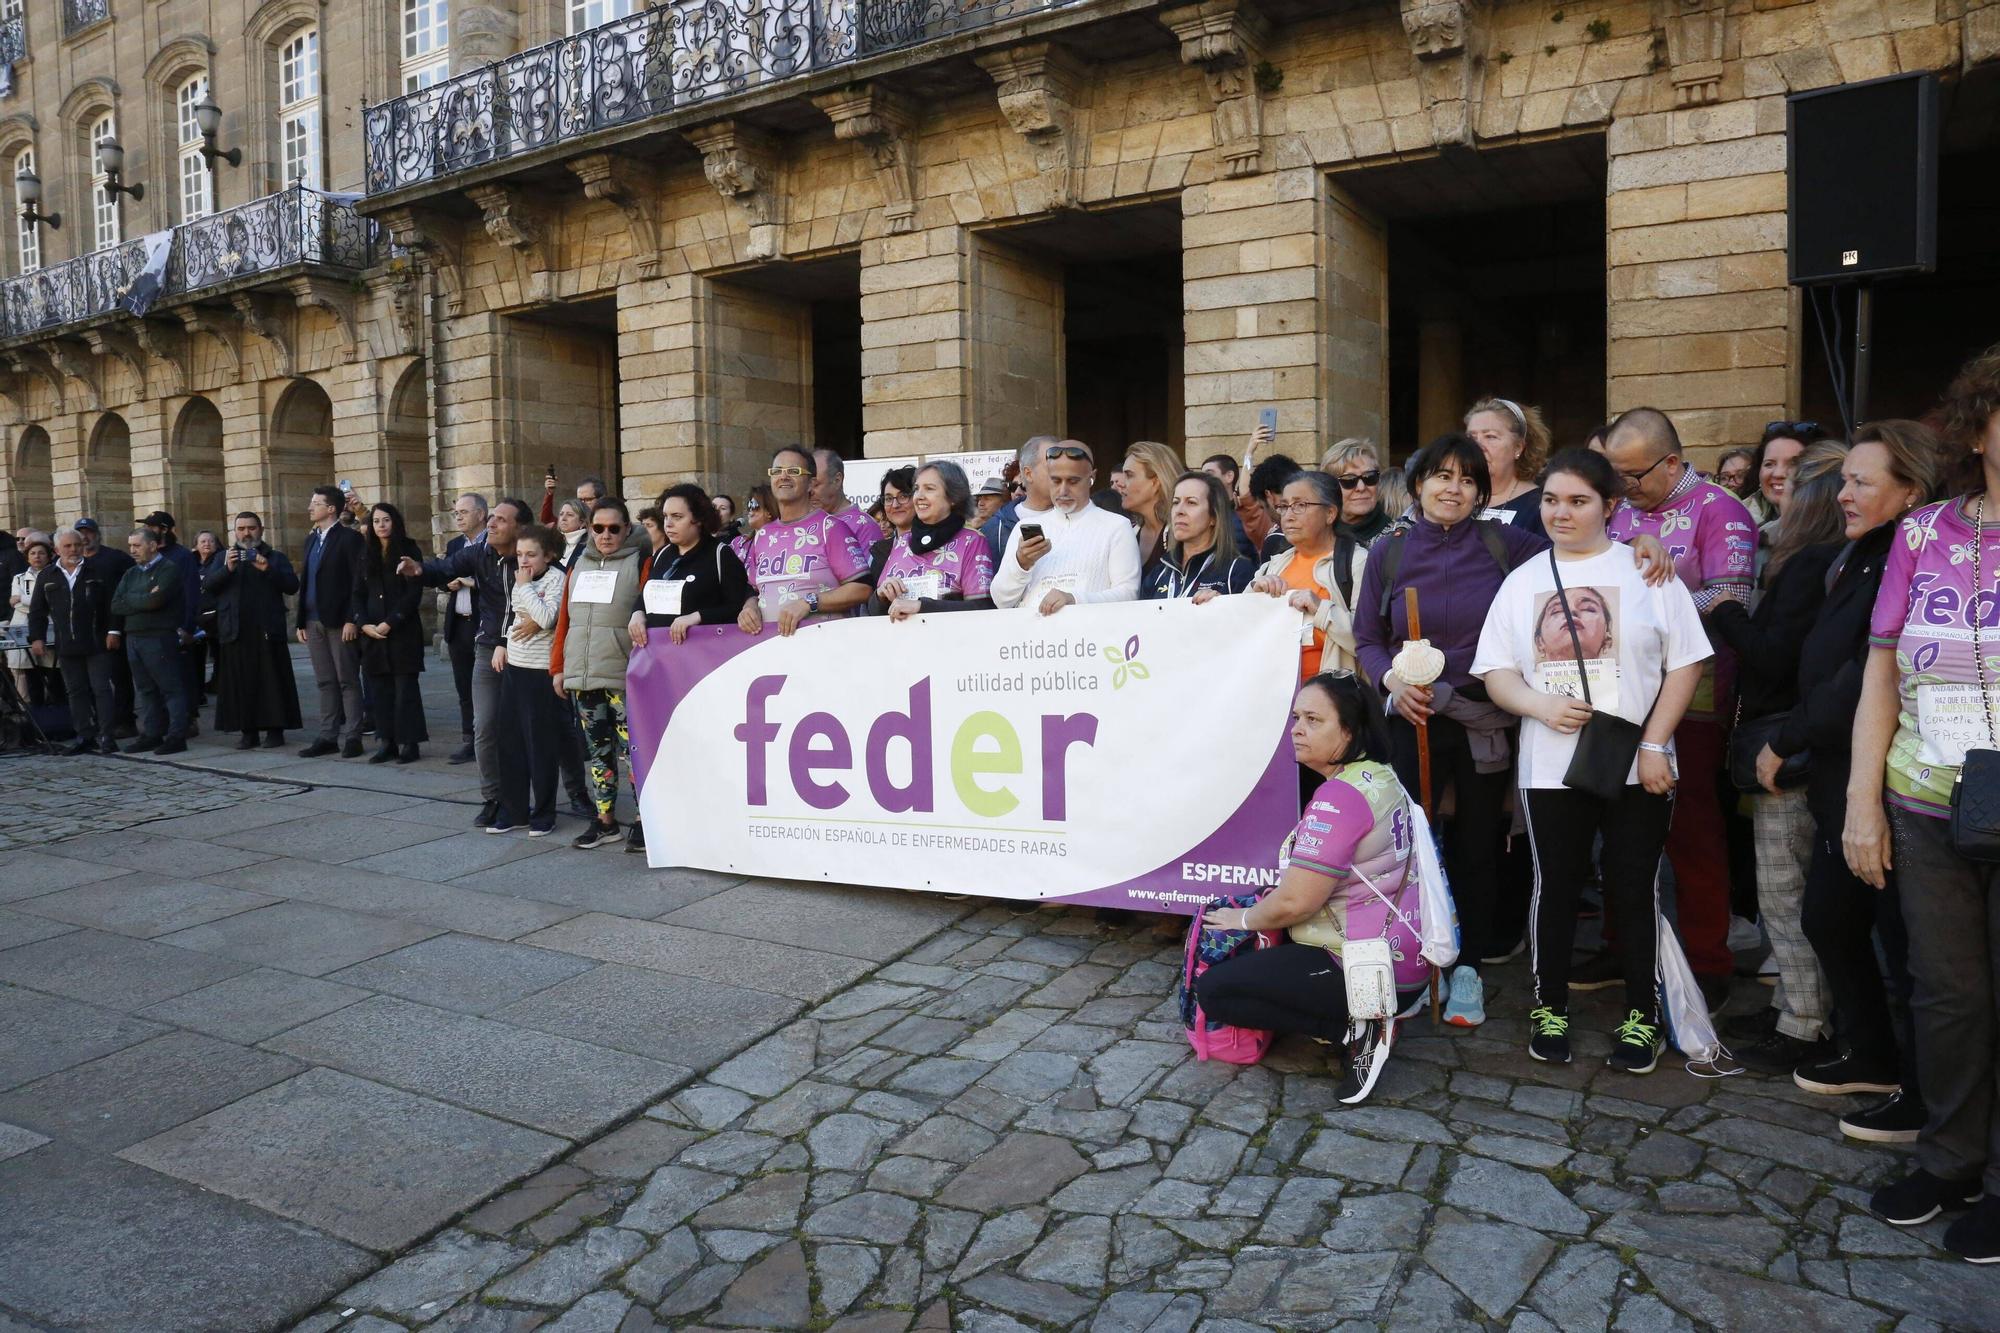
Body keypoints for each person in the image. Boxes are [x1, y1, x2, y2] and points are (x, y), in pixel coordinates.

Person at [1473, 447, 1711, 1073]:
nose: (1560, 512)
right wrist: (1536, 705)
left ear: (1611, 506)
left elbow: (1686, 661)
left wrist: (1657, 742)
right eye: (1551, 499)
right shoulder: (1522, 580)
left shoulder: (1647, 572)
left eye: (1578, 500)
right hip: (1551, 767)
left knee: (1634, 888)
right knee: (1553, 889)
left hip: (1640, 763)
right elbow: (1495, 669)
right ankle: (1548, 1007)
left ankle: (1642, 1014)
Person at [1850, 343, 2000, 1255]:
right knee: (1947, 996)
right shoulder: (1923, 532)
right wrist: (1864, 802)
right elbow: (1879, 672)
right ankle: (1950, 1158)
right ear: (1979, 424)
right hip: (1926, 798)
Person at [1777, 423, 1940, 1144]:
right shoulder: (1858, 553)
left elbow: (1865, 673)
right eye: (1845, 479)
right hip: (1843, 769)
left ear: (1912, 492)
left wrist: (1789, 735)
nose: (1844, 493)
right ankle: (1876, 1055)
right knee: (1836, 918)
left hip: (1886, 775)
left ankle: (1923, 1087)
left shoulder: (1909, 557)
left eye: (1863, 481)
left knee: (1907, 948)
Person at [1354, 435, 1547, 1027]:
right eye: (1441, 476)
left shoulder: (1506, 544)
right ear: (1417, 484)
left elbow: (1580, 556)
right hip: (1411, 717)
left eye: (1467, 480)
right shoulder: (1388, 552)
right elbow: (1367, 638)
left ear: (1480, 494)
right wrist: (1391, 682)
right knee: (1409, 845)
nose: (1452, 488)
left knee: (1477, 847)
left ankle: (1467, 970)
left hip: (1482, 716)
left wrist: (1639, 542)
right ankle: (1413, 962)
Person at [1193, 673, 1429, 1103]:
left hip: (1362, 967)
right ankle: (1364, 1015)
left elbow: (1296, 902)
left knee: (1216, 991)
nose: (1297, 729)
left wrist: (1240, 919)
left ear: (1350, 731)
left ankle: (1357, 1029)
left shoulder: (1339, 798)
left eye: (1314, 720)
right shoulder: (1379, 776)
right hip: (1401, 956)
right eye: (1297, 717)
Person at [1699, 443, 1849, 1076]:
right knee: (1787, 887)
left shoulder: (1810, 562)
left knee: (1784, 889)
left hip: (1785, 744)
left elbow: (1770, 655)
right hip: (1802, 739)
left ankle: (1803, 1024)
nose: (1778, 487)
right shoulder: (1833, 561)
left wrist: (1722, 607)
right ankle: (1793, 1005)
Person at [1601, 407, 1758, 1011]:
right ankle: (1621, 943)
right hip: (1620, 688)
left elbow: (1729, 595)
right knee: (1615, 819)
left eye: (1633, 476)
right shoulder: (1619, 510)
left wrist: (1649, 604)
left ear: (1671, 462)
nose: (1623, 489)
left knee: (1690, 827)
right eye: (1614, 477)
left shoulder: (1722, 510)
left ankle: (1708, 959)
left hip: (1695, 689)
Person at [402, 498, 530, 827]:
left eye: (501, 520)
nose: (491, 524)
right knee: (484, 726)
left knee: (538, 729)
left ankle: (560, 795)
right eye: (492, 519)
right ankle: (494, 797)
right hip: (488, 649)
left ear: (519, 528)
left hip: (530, 649)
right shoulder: (479, 552)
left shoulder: (533, 556)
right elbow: (445, 568)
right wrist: (420, 570)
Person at [551, 497, 646, 850]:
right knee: (597, 750)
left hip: (623, 673)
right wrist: (558, 667)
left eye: (614, 528)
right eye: (599, 528)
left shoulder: (641, 562)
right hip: (583, 673)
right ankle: (605, 819)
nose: (606, 535)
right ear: (590, 529)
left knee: (632, 750)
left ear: (627, 529)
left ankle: (643, 818)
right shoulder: (579, 564)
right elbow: (565, 620)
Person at [991, 440, 1141, 614]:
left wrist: (1074, 599)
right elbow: (1001, 601)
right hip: (1030, 640)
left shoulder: (1116, 527)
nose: (1063, 490)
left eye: (1073, 481)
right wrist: (1021, 563)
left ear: (1091, 477)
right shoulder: (1023, 527)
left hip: (1090, 639)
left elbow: (1129, 594)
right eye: (1055, 481)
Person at [738, 446, 873, 635]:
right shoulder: (763, 534)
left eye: (793, 471)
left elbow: (862, 588)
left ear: (810, 483)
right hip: (769, 648)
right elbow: (752, 589)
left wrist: (810, 603)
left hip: (822, 646)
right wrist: (749, 608)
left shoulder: (831, 528)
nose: (783, 476)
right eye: (777, 471)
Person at [492, 525, 571, 837]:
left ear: (548, 555)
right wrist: (510, 638)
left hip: (541, 672)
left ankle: (543, 814)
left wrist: (526, 592)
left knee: (540, 746)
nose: (523, 561)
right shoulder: (521, 579)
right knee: (509, 742)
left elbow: (548, 617)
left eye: (531, 555)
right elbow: (518, 616)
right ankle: (513, 811)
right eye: (520, 554)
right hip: (516, 667)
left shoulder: (557, 579)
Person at [1250, 470, 1368, 677]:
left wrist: (1321, 609)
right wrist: (1253, 596)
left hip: (1331, 697)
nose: (1288, 515)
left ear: (1330, 514)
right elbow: (1242, 631)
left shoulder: (1357, 562)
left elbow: (1368, 642)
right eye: (1284, 506)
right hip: (1274, 695)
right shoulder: (1274, 565)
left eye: (1300, 505)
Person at [204, 512, 302, 751]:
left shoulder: (275, 557)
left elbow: (291, 586)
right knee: (240, 684)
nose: (246, 533)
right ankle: (248, 733)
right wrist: (227, 569)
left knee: (272, 683)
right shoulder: (222, 558)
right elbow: (208, 586)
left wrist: (267, 568)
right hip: (235, 630)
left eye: (251, 528)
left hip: (267, 630)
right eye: (241, 529)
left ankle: (275, 731)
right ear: (234, 532)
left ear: (261, 529)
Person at [27, 530, 119, 754]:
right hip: (66, 643)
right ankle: (84, 735)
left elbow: (113, 605)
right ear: (57, 550)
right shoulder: (48, 575)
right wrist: (36, 637)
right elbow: (37, 611)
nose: (74, 550)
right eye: (68, 546)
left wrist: (114, 631)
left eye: (77, 545)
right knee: (75, 691)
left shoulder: (97, 571)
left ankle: (107, 735)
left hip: (96, 640)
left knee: (101, 689)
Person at [350, 502, 427, 764]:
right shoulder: (365, 552)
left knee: (405, 690)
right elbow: (357, 594)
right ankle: (387, 742)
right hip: (372, 633)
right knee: (379, 690)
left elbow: (413, 593)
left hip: (401, 631)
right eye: (376, 521)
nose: (381, 526)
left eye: (386, 520)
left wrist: (391, 622)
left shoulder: (409, 549)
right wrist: (363, 624)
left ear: (395, 522)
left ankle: (409, 743)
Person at [873, 460, 996, 620]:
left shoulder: (971, 541)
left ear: (953, 497)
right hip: (901, 642)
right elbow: (874, 611)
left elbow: (982, 608)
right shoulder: (902, 542)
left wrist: (923, 607)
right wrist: (880, 595)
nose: (919, 497)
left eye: (929, 489)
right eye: (916, 489)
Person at [295, 485, 366, 759]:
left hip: (340, 620)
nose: (310, 508)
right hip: (313, 620)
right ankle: (327, 735)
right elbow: (307, 580)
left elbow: (357, 582)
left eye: (315, 503)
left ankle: (353, 736)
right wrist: (301, 620)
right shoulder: (310, 540)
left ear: (331, 508)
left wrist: (352, 618)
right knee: (325, 681)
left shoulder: (349, 539)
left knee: (347, 679)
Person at [109, 527, 190, 755]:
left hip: (158, 637)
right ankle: (152, 733)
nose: (132, 550)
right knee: (146, 689)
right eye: (130, 546)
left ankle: (176, 736)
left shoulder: (168, 569)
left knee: (170, 688)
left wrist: (137, 600)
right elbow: (116, 603)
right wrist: (143, 598)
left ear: (153, 545)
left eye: (137, 545)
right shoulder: (131, 573)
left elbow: (156, 601)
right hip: (134, 637)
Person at [140, 511, 203, 735]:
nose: (147, 530)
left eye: (151, 526)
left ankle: (188, 719)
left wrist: (187, 627)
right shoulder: (147, 554)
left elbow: (191, 593)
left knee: (182, 675)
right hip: (151, 626)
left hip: (176, 625)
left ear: (164, 530)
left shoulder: (182, 556)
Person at [1146, 472, 1254, 600]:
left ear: (1214, 516)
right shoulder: (1159, 573)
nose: (1179, 511)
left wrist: (1221, 608)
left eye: (1191, 502)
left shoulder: (1237, 570)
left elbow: (1249, 618)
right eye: (1175, 502)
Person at [442, 493, 489, 764]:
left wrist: (474, 583)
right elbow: (443, 575)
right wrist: (445, 584)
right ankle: (468, 739)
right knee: (463, 686)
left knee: (486, 686)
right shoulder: (454, 544)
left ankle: (489, 736)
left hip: (482, 623)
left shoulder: (491, 545)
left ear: (481, 515)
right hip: (458, 623)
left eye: (463, 512)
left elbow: (498, 583)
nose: (458, 517)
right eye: (456, 512)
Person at [1465, 397, 1552, 535]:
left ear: (1518, 447)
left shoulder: (1541, 505)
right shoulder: (1457, 496)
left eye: (1490, 437)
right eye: (1471, 437)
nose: (1477, 446)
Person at [982, 436, 1057, 562]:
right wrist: (1020, 564)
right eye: (1052, 466)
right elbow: (991, 580)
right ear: (1028, 474)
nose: (1061, 472)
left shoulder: (1079, 517)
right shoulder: (996, 528)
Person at [1121, 441, 1182, 591]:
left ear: (1156, 482)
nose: (1121, 483)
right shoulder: (1125, 532)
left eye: (1129, 475)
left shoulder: (1183, 533)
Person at [812, 449, 886, 553]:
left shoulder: (864, 527)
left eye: (815, 485)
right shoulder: (806, 523)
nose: (809, 491)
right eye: (806, 484)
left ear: (837, 480)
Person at [6, 529, 48, 705]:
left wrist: (24, 599)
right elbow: (14, 603)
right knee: (23, 671)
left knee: (49, 669)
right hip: (21, 624)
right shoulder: (19, 578)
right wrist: (35, 602)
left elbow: (49, 600)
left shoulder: (53, 575)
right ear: (27, 557)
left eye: (41, 553)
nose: (37, 556)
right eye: (32, 553)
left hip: (47, 624)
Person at [1322, 439, 1389, 546]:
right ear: (1329, 487)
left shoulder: (1399, 539)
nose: (1361, 487)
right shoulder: (1318, 537)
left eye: (1369, 477)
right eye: (1349, 480)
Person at [1240, 451, 1302, 561]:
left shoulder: (1277, 540)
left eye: (1263, 507)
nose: (1270, 518)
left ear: (1269, 496)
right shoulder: (1324, 524)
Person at [191, 529, 224, 702]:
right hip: (198, 614)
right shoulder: (192, 563)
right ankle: (198, 689)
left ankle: (219, 682)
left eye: (210, 541)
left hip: (215, 613)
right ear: (196, 545)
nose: (206, 544)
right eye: (202, 541)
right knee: (197, 652)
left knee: (218, 651)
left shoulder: (219, 561)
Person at [871, 466, 918, 566]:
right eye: (888, 499)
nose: (895, 505)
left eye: (903, 496)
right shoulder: (879, 552)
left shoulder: (936, 546)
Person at [731, 483, 775, 568]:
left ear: (770, 510)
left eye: (755, 505)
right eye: (749, 504)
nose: (750, 509)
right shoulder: (738, 543)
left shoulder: (782, 542)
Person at [553, 499, 589, 571]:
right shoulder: (552, 542)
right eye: (561, 514)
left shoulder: (589, 544)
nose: (563, 518)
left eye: (570, 515)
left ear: (582, 522)